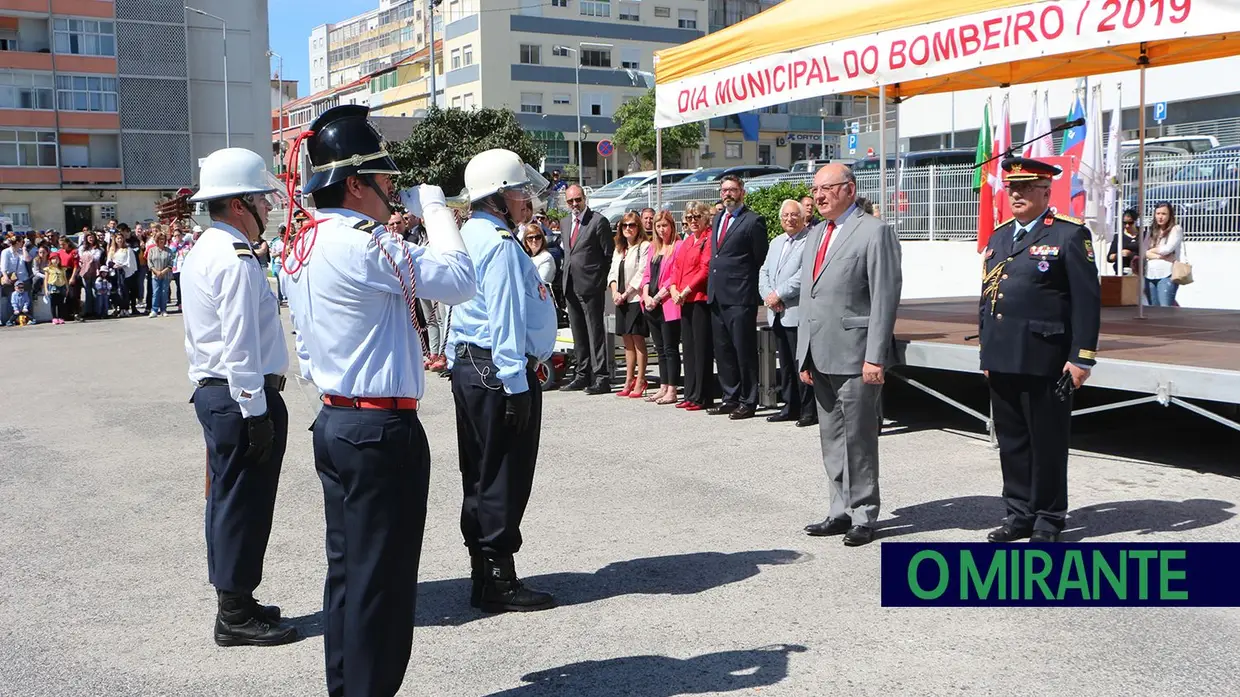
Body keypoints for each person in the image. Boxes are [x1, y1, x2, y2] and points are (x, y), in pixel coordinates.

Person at [282, 104, 476, 697]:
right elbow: (459, 279)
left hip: (337, 418)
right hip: (379, 429)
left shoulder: (303, 244)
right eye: (386, 180)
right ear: (356, 183)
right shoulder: (368, 244)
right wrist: (437, 208)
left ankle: (346, 688)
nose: (395, 190)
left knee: (348, 573)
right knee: (383, 581)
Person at [181, 147, 298, 647]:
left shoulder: (208, 247)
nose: (268, 210)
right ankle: (233, 612)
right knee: (241, 505)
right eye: (261, 201)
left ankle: (239, 599)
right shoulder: (233, 257)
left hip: (223, 395)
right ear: (239, 205)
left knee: (232, 501)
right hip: (239, 397)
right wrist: (255, 410)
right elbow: (239, 343)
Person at [445, 148, 557, 614]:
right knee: (504, 473)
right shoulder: (499, 242)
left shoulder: (468, 234)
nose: (526, 199)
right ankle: (498, 578)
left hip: (472, 366)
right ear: (500, 196)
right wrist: (515, 383)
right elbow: (506, 316)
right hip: (498, 370)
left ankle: (483, 569)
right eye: (519, 191)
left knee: (479, 471)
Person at [980, 157, 1100, 544]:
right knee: (1012, 442)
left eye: (1026, 188)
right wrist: (987, 352)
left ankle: (1049, 518)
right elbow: (988, 299)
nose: (1016, 194)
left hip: (1046, 358)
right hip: (1003, 357)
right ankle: (1019, 514)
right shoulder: (999, 237)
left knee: (1047, 442)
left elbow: (1086, 302)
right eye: (1012, 188)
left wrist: (1082, 356)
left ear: (1046, 192)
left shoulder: (1068, 235)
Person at [797, 163, 902, 547]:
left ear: (850, 190)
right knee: (831, 437)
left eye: (827, 188)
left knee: (859, 438)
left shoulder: (875, 233)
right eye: (816, 188)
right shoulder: (815, 235)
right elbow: (810, 296)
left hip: (857, 356)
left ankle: (863, 513)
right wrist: (804, 354)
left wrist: (876, 356)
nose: (819, 195)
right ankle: (838, 510)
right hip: (820, 355)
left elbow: (885, 298)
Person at [707, 175, 769, 420]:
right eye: (724, 190)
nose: (728, 194)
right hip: (717, 295)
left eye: (732, 190)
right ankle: (729, 397)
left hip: (740, 297)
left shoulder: (753, 221)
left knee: (743, 351)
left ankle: (748, 400)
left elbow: (759, 259)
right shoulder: (718, 218)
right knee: (723, 351)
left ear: (742, 192)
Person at [759, 200, 815, 427]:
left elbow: (805, 275)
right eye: (786, 215)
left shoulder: (809, 241)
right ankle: (789, 405)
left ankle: (808, 410)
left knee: (801, 363)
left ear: (803, 218)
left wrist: (779, 294)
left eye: (794, 215)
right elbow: (764, 271)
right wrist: (768, 296)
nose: (789, 219)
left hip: (795, 311)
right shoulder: (776, 242)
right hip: (776, 312)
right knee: (786, 365)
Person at [559, 184, 614, 394]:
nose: (574, 204)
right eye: (571, 201)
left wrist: (599, 281)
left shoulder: (598, 221)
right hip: (570, 284)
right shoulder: (565, 223)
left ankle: (601, 377)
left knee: (595, 332)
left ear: (585, 199)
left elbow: (608, 255)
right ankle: (582, 374)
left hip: (591, 286)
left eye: (578, 200)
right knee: (578, 332)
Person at [668, 201, 715, 411]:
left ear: (705, 218)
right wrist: (674, 289)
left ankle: (702, 395)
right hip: (684, 299)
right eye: (689, 217)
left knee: (701, 348)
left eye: (697, 216)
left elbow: (704, 270)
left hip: (698, 298)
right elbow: (676, 267)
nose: (693, 221)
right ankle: (690, 392)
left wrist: (685, 290)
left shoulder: (708, 239)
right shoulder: (687, 242)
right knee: (687, 347)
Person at [608, 210, 652, 398]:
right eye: (624, 225)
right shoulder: (619, 248)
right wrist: (615, 291)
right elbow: (612, 272)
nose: (628, 229)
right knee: (626, 341)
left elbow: (641, 273)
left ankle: (641, 379)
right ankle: (629, 379)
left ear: (638, 227)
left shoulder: (644, 246)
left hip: (634, 299)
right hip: (621, 300)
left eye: (632, 225)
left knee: (637, 339)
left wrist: (625, 293)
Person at [641, 210, 683, 405]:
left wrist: (656, 298)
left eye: (664, 225)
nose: (661, 230)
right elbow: (647, 274)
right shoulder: (652, 248)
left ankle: (673, 389)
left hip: (666, 303)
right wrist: (646, 294)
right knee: (659, 348)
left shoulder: (678, 246)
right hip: (652, 305)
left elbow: (674, 277)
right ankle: (663, 386)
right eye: (658, 226)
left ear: (672, 226)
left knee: (670, 347)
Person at [1143, 202, 1183, 306]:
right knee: (1153, 309)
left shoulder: (1176, 229)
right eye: (1158, 213)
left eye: (1164, 214)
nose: (1160, 217)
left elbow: (1168, 249)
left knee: (1165, 309)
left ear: (1170, 215)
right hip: (1150, 274)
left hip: (1167, 274)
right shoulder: (1151, 230)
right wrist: (1159, 256)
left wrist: (1151, 251)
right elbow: (1143, 251)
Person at [1108, 209, 1140, 275]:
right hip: (1121, 271)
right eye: (1125, 223)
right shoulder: (1119, 236)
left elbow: (1145, 254)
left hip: (1138, 272)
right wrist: (1118, 254)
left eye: (1130, 223)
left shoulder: (1142, 235)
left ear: (1136, 221)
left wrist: (1130, 254)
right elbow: (1109, 257)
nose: (1127, 226)